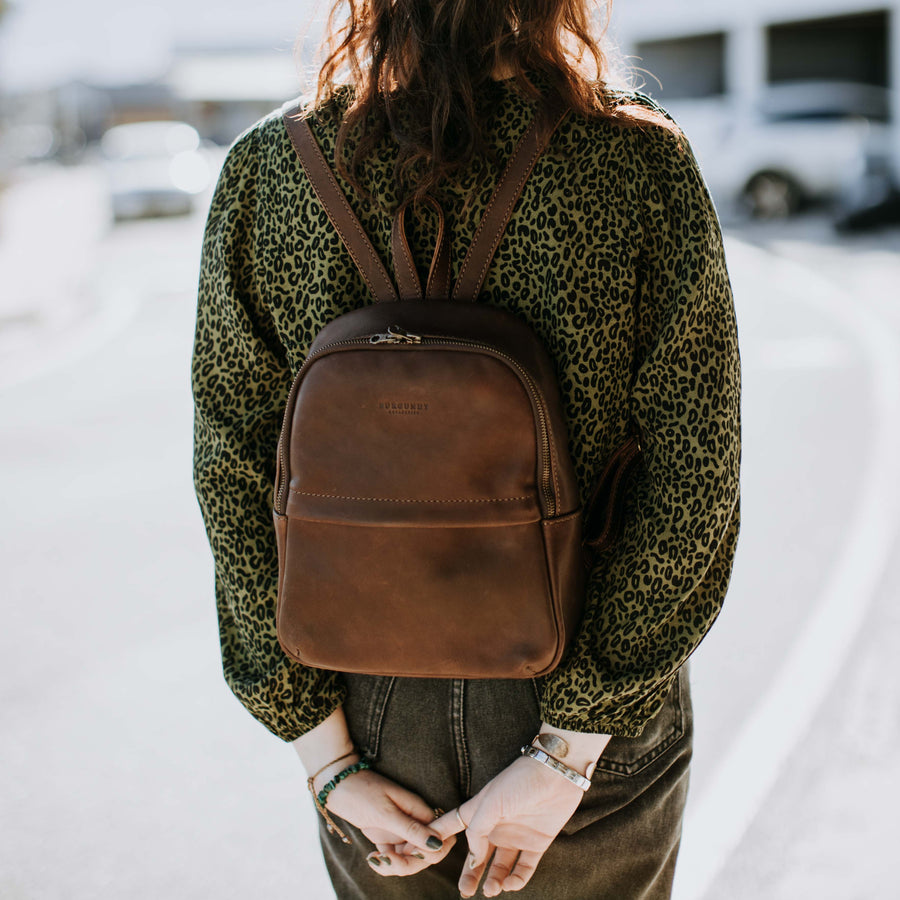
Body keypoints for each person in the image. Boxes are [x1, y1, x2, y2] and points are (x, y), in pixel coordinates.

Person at [191, 0, 741, 896]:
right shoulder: (632, 158)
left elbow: (233, 477)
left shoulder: (270, 170)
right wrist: (568, 750)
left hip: (364, 684)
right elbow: (695, 473)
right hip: (579, 662)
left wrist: (323, 755)